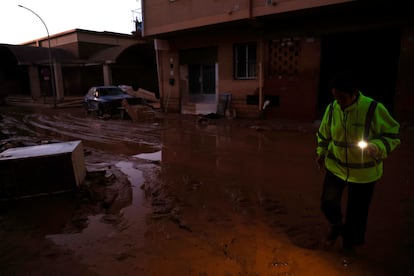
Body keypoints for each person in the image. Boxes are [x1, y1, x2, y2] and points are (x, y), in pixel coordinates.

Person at [315, 71, 401, 265]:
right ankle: (337, 225)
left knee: (357, 213)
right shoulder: (332, 108)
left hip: (364, 174)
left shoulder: (372, 109)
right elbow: (323, 135)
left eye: (342, 98)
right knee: (328, 202)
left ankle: (349, 244)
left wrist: (378, 147)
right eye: (335, 98)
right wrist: (321, 151)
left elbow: (393, 135)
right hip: (336, 167)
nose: (339, 102)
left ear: (354, 93)